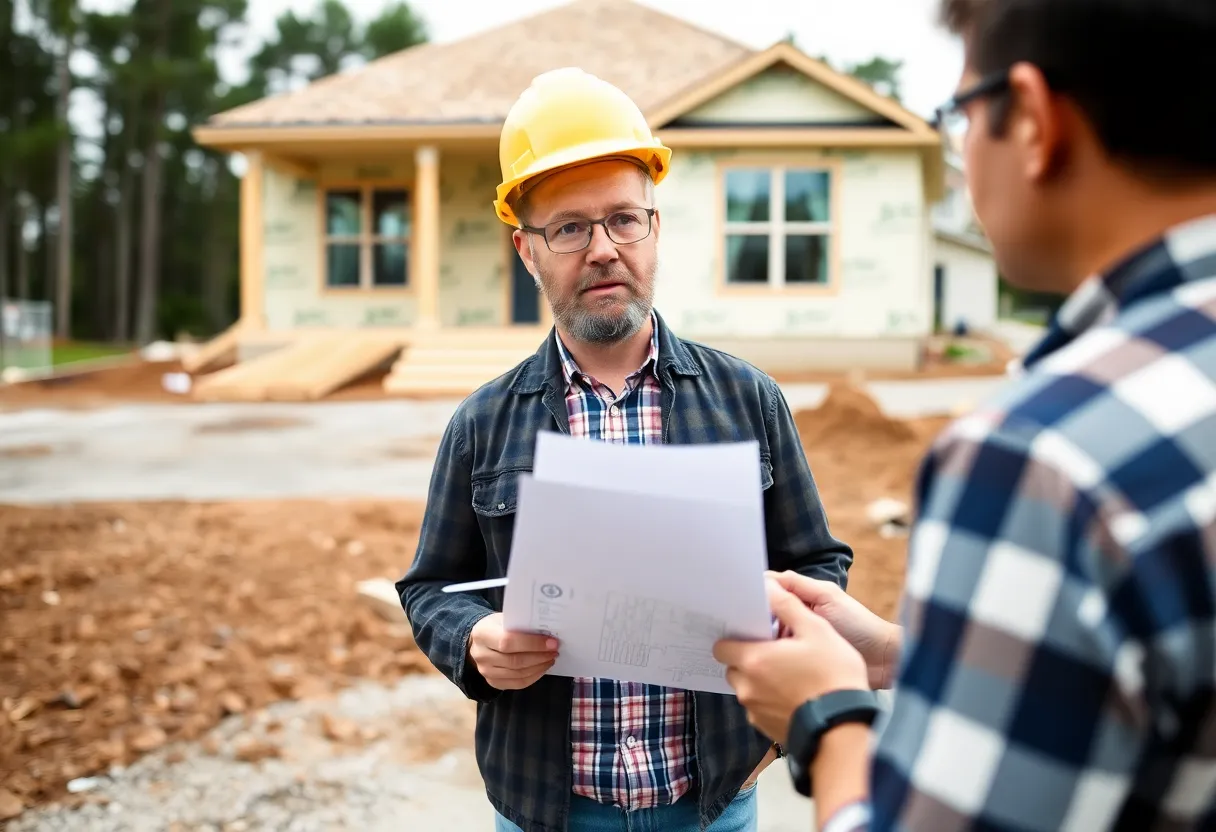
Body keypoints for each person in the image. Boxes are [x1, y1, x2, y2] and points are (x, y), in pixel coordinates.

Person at [714, 0, 1216, 829]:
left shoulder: (1039, 460)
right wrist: (901, 655)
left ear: (1032, 119)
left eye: (961, 114)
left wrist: (826, 719)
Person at [396, 67, 855, 832]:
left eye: (624, 219)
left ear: (655, 227)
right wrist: (472, 638)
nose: (604, 248)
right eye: (570, 227)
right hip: (551, 809)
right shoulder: (482, 425)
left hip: (714, 803)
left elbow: (819, 562)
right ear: (526, 250)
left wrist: (772, 650)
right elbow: (430, 590)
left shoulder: (749, 402)